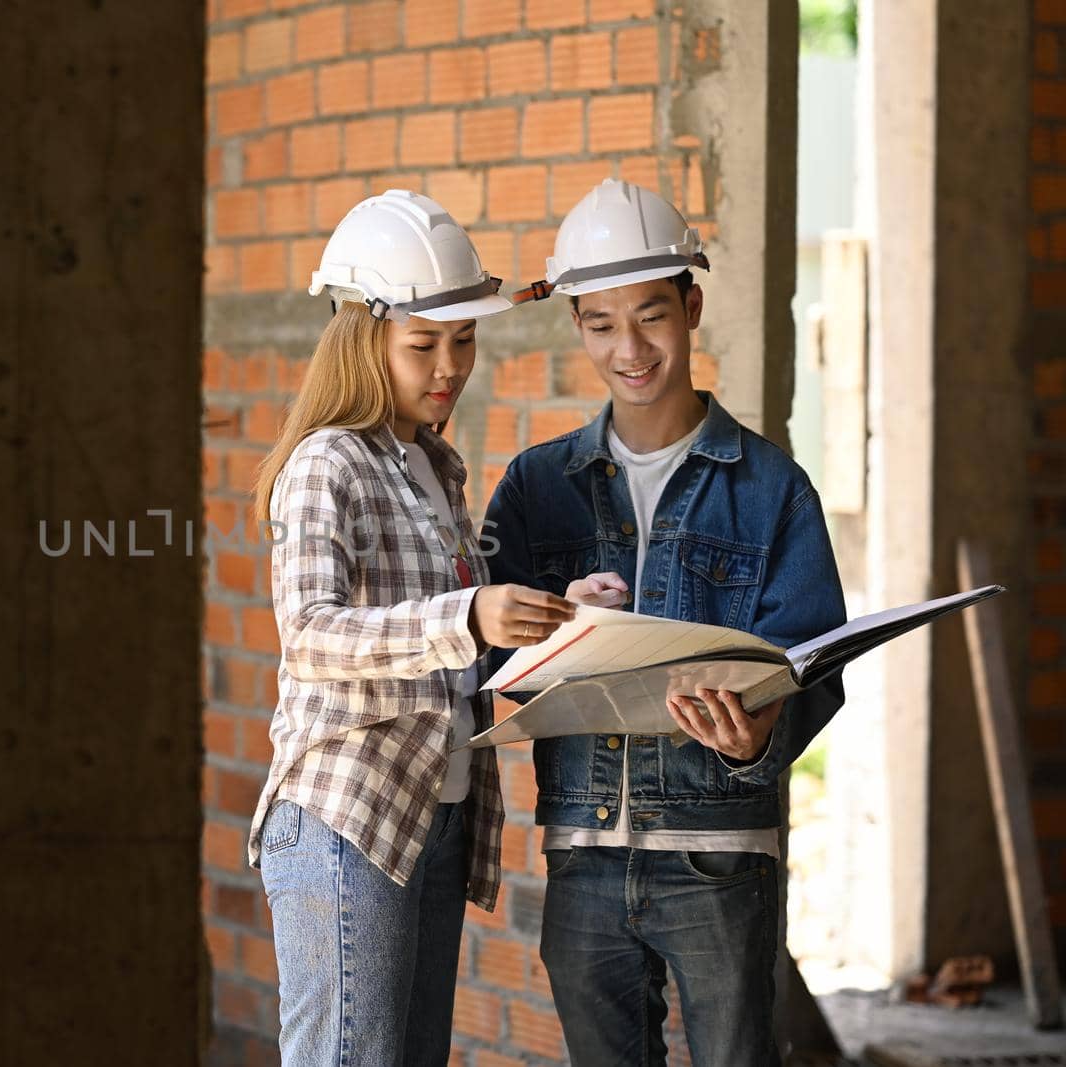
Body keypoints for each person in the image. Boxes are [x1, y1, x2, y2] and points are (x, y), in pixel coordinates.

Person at [483, 178, 847, 1067]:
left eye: (651, 317)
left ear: (691, 306)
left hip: (720, 857)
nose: (629, 348)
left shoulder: (771, 489)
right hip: (582, 854)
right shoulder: (536, 487)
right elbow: (485, 648)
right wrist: (546, 632)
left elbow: (817, 666)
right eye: (601, 324)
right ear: (578, 327)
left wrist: (752, 738)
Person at [247, 189, 576, 1065]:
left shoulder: (435, 465)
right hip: (346, 820)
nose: (450, 365)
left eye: (464, 339)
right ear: (364, 336)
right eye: (424, 344)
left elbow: (456, 650)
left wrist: (563, 612)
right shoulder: (327, 462)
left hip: (434, 813)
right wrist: (467, 614)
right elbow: (312, 634)